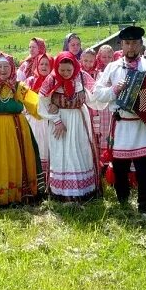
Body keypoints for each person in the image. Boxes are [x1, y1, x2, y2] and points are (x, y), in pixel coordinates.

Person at [93, 25, 146, 216]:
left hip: (144, 127)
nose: (131, 47)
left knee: (145, 170)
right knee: (120, 169)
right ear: (122, 45)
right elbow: (97, 93)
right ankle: (123, 202)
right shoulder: (112, 67)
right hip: (122, 127)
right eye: (127, 43)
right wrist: (114, 91)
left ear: (141, 45)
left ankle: (144, 207)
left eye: (135, 43)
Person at [0, 53, 44, 206]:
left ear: (12, 68)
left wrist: (51, 109)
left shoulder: (19, 87)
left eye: (6, 66)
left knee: (13, 158)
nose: (3, 70)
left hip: (16, 129)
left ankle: (15, 194)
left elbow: (35, 103)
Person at [38, 52, 100, 202]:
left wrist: (112, 93)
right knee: (61, 152)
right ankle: (62, 192)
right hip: (60, 121)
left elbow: (96, 95)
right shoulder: (51, 79)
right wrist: (56, 120)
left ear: (75, 67)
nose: (65, 73)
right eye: (62, 70)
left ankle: (82, 190)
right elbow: (42, 102)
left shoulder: (83, 77)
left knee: (80, 150)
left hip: (79, 119)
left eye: (69, 70)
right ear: (57, 67)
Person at [24, 53, 53, 185]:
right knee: (37, 148)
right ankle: (35, 182)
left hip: (49, 121)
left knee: (48, 148)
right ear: (37, 65)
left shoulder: (55, 80)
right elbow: (24, 99)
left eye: (47, 64)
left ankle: (49, 182)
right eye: (41, 64)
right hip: (34, 121)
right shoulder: (30, 81)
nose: (44, 66)